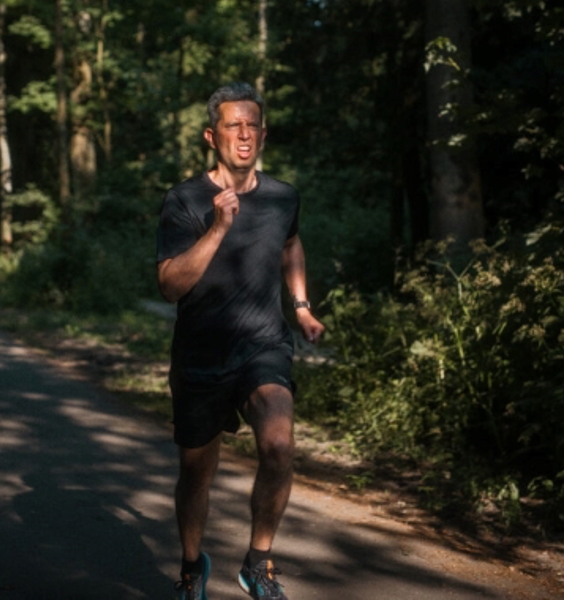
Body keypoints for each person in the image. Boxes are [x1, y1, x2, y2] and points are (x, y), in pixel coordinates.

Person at [156, 82, 324, 600]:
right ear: (212, 135)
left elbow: (290, 244)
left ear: (264, 133)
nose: (244, 133)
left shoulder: (282, 197)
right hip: (201, 353)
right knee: (195, 473)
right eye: (233, 124)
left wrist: (300, 306)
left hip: (263, 344)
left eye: (252, 124)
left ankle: (259, 562)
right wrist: (216, 228)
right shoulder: (184, 200)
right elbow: (168, 286)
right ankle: (191, 569)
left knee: (278, 445)